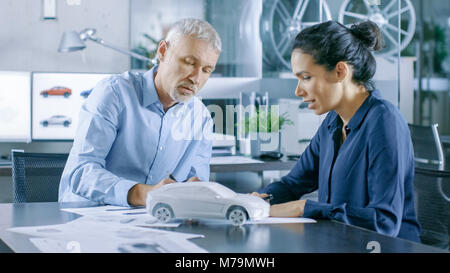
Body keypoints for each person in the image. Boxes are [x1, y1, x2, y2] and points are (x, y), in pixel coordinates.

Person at [253, 20, 421, 242]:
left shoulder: (384, 121)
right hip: (340, 244)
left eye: (306, 77)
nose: (298, 91)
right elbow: (293, 184)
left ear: (340, 71)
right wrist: (257, 200)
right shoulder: (333, 121)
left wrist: (305, 208)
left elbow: (384, 221)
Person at [59, 18, 221, 207]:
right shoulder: (114, 93)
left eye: (206, 70)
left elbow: (196, 183)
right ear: (162, 51)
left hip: (148, 223)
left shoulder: (200, 118)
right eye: (188, 62)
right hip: (87, 219)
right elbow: (81, 172)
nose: (196, 78)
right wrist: (143, 194)